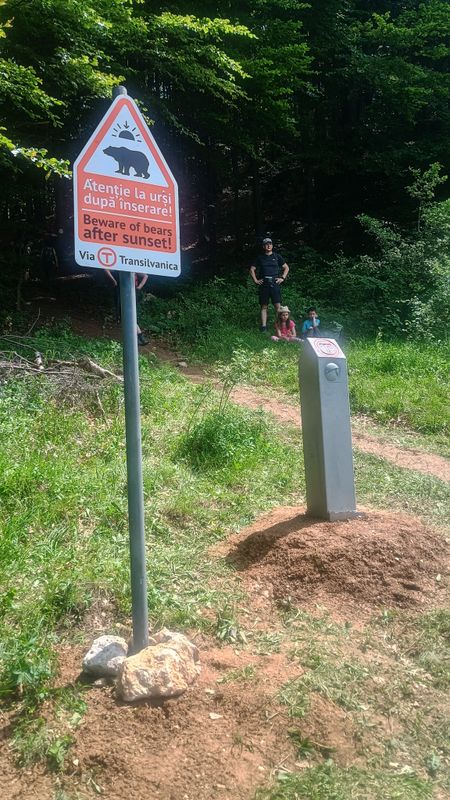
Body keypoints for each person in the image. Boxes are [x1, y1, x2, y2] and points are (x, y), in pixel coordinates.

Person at [249, 237, 289, 332]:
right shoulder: (260, 258)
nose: (268, 245)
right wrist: (255, 280)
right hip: (264, 284)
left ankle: (280, 327)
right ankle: (264, 327)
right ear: (263, 246)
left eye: (270, 244)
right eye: (266, 244)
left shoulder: (277, 256)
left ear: (272, 245)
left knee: (278, 306)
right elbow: (252, 269)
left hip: (275, 283)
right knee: (264, 306)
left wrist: (282, 278)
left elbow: (286, 267)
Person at [106, 270, 149, 345]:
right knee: (128, 315)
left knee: (127, 316)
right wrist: (139, 287)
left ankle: (137, 337)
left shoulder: (128, 267)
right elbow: (106, 269)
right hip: (128, 291)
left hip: (126, 291)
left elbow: (146, 276)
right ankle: (139, 337)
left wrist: (139, 287)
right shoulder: (125, 267)